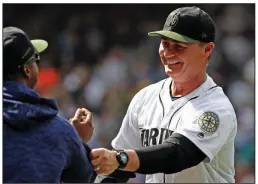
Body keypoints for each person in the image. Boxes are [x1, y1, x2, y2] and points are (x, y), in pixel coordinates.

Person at [89, 6, 237, 183]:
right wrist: (115, 163)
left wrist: (121, 159)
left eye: (179, 46)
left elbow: (177, 154)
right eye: (165, 44)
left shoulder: (216, 107)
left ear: (207, 50)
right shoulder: (145, 98)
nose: (168, 53)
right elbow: (117, 169)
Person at [3, 26, 96, 183]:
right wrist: (75, 140)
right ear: (27, 70)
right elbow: (83, 178)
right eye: (36, 59)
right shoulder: (60, 131)